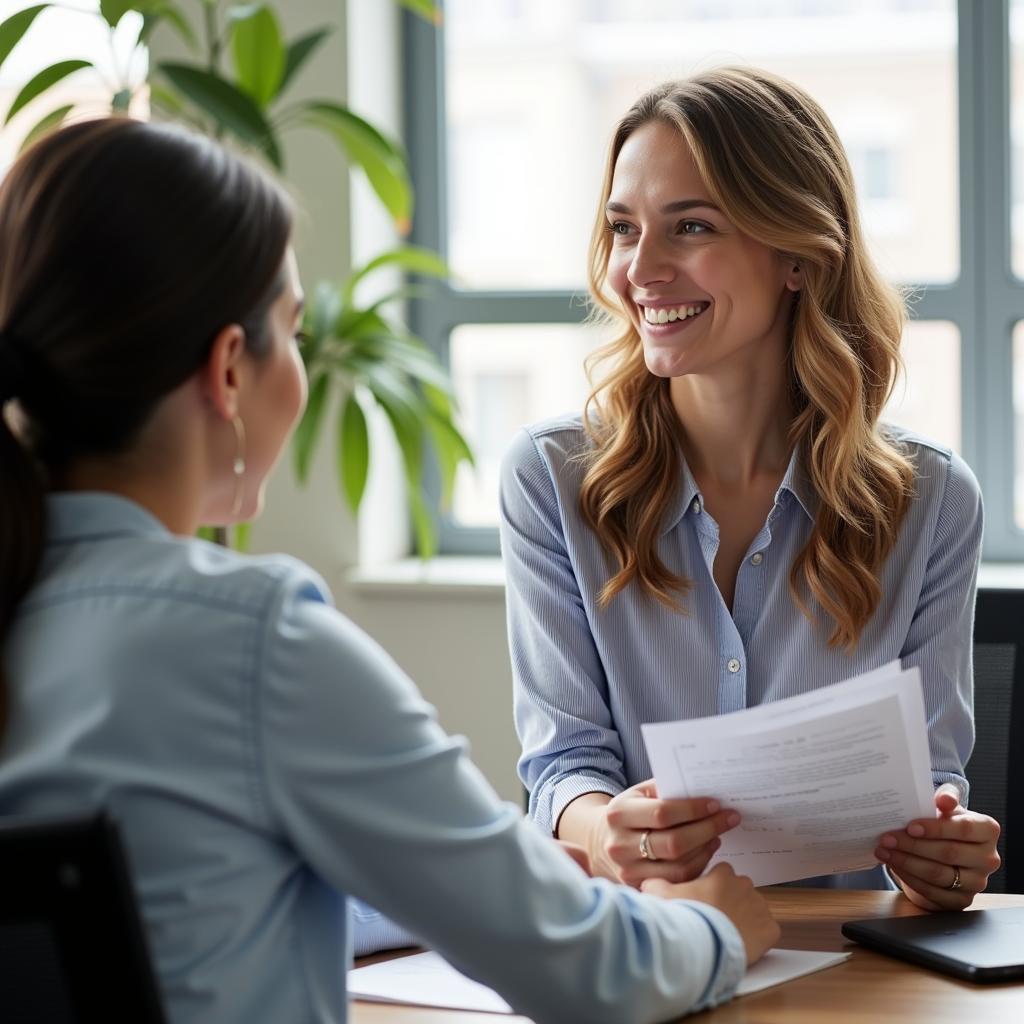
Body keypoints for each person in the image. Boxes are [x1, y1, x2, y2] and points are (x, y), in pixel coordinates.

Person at [0, 116, 780, 1024]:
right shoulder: (254, 640)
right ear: (227, 372)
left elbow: (180, 878)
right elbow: (593, 975)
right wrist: (711, 928)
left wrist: (446, 876)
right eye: (291, 332)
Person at [500, 67, 1001, 913]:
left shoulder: (931, 500)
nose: (640, 270)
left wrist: (940, 852)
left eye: (689, 226)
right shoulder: (552, 481)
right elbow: (562, 767)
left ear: (799, 257)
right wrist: (599, 828)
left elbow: (930, 778)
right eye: (625, 229)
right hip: (642, 950)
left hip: (850, 972)